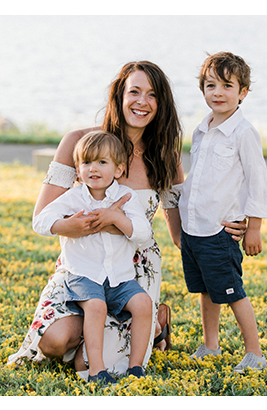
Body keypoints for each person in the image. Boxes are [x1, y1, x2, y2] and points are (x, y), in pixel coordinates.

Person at [8, 61, 186, 379]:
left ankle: (153, 319)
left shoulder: (164, 157)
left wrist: (226, 232)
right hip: (82, 267)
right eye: (134, 91)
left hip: (132, 269)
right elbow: (43, 216)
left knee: (101, 364)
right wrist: (71, 226)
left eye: (152, 95)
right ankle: (133, 328)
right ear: (119, 95)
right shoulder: (79, 143)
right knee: (55, 342)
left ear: (162, 104)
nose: (142, 102)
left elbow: (179, 233)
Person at [32, 132, 154, 384]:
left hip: (119, 277)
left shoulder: (126, 197)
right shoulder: (74, 197)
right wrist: (65, 225)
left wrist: (116, 219)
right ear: (77, 169)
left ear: (119, 169)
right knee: (96, 307)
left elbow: (144, 234)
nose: (93, 168)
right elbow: (41, 221)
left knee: (143, 303)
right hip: (84, 275)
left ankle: (136, 367)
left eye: (102, 162)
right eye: (86, 163)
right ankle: (97, 369)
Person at [179, 51, 267, 373]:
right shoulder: (201, 129)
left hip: (220, 230)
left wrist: (255, 227)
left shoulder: (244, 133)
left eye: (226, 85)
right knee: (206, 290)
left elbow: (257, 180)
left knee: (233, 292)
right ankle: (211, 345)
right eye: (210, 85)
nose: (217, 92)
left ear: (242, 92)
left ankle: (255, 353)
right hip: (195, 228)